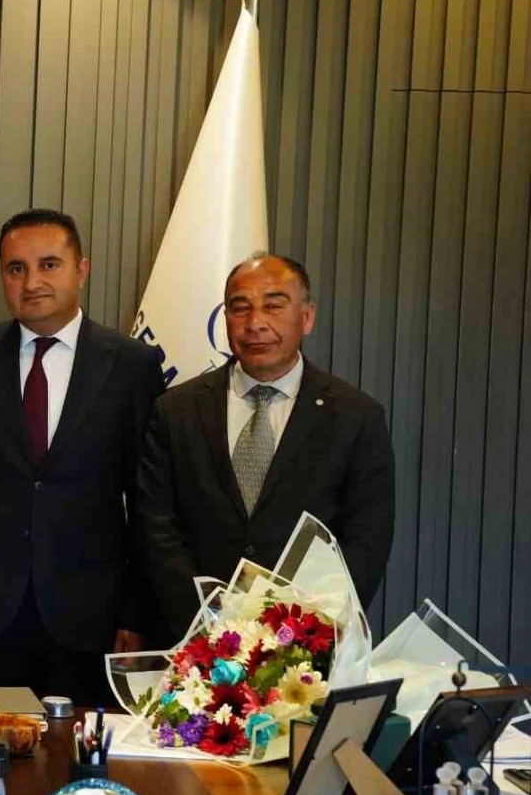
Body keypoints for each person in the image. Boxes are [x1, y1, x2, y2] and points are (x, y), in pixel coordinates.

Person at [0, 209, 163, 703]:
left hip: (93, 617)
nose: (32, 282)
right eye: (16, 268)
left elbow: (149, 503)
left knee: (80, 749)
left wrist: (136, 612)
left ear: (82, 270)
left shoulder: (132, 366)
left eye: (49, 265)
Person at [137, 253, 395, 641]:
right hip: (192, 638)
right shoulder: (175, 411)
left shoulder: (356, 417)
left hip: (304, 647)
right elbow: (156, 526)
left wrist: (302, 632)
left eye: (274, 306)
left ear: (306, 317)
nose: (255, 323)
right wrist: (208, 622)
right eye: (240, 308)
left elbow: (366, 539)